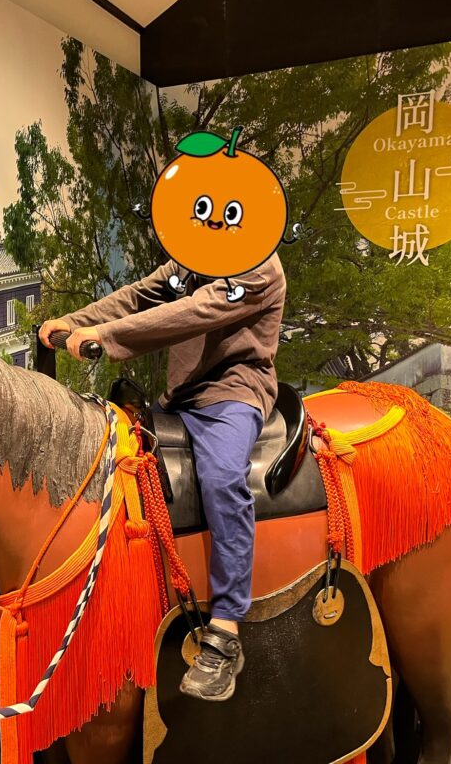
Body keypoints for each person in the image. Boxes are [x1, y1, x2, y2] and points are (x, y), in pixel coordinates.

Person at [38, 253, 286, 702]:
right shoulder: (191, 259)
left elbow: (197, 310)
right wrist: (75, 321)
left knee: (222, 477)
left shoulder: (258, 264)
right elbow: (140, 295)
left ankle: (227, 629)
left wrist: (105, 336)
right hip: (178, 399)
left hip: (234, 392)